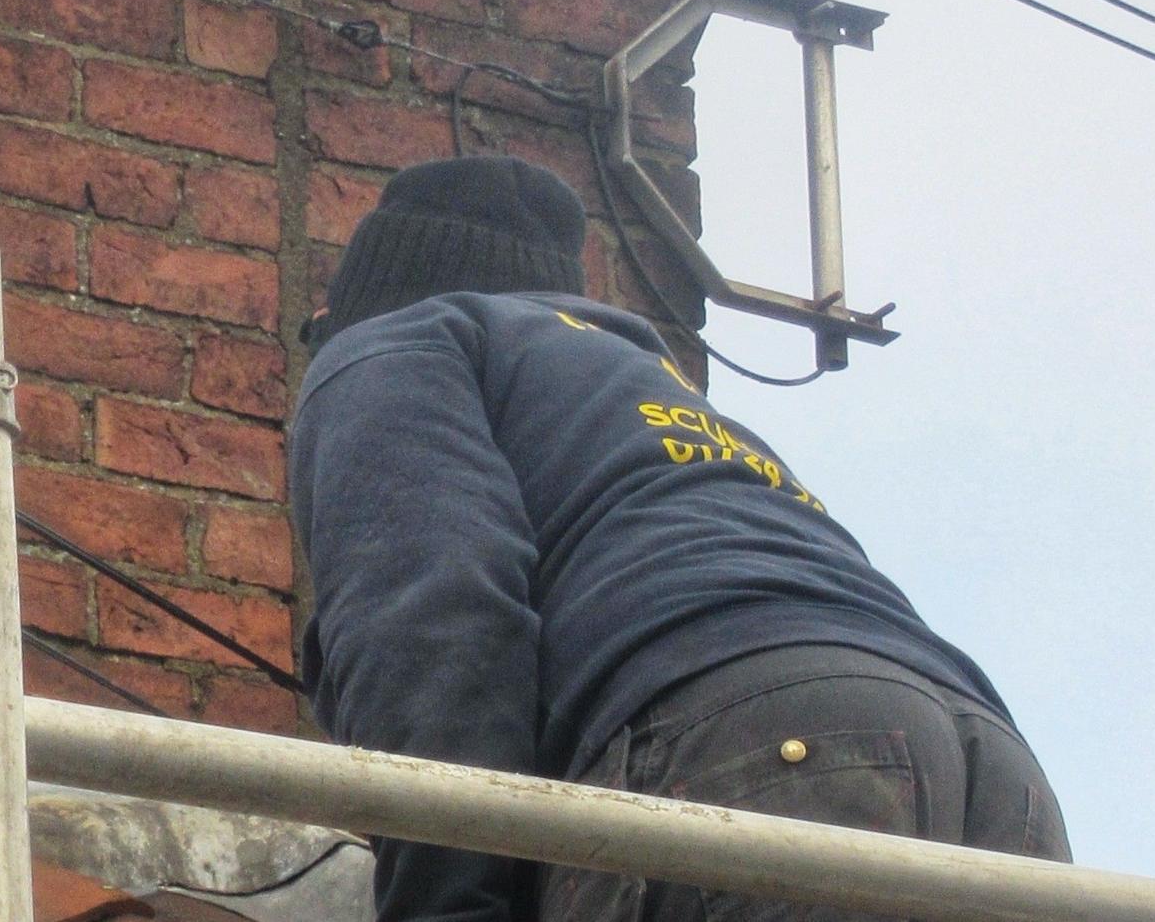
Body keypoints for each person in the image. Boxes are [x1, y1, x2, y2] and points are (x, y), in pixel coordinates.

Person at [290, 157, 1066, 922]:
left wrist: (447, 906)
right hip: (1000, 781)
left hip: (751, 750)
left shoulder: (398, 344)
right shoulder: (659, 397)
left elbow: (433, 626)